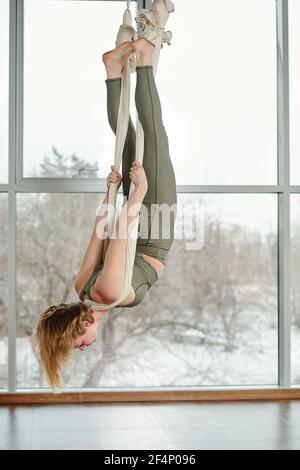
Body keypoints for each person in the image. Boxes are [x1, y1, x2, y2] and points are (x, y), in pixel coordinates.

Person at [32, 37, 177, 389]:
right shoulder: (82, 289)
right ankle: (114, 69)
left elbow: (122, 238)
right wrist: (109, 194)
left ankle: (142, 58)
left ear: (79, 327)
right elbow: (98, 235)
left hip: (150, 220)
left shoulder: (108, 294)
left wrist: (138, 192)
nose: (80, 349)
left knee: (152, 135)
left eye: (74, 345)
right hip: (136, 210)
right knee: (128, 138)